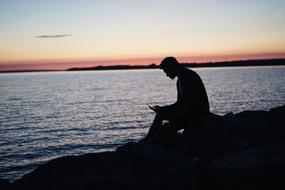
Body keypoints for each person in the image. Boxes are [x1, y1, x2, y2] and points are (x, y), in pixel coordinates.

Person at [141, 57, 210, 154]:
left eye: (166, 72)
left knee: (166, 128)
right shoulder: (181, 78)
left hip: (197, 115)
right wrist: (163, 109)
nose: (167, 75)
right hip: (189, 112)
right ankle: (148, 140)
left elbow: (191, 104)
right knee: (160, 114)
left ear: (172, 67)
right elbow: (180, 104)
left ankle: (149, 146)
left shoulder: (187, 77)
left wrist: (179, 115)